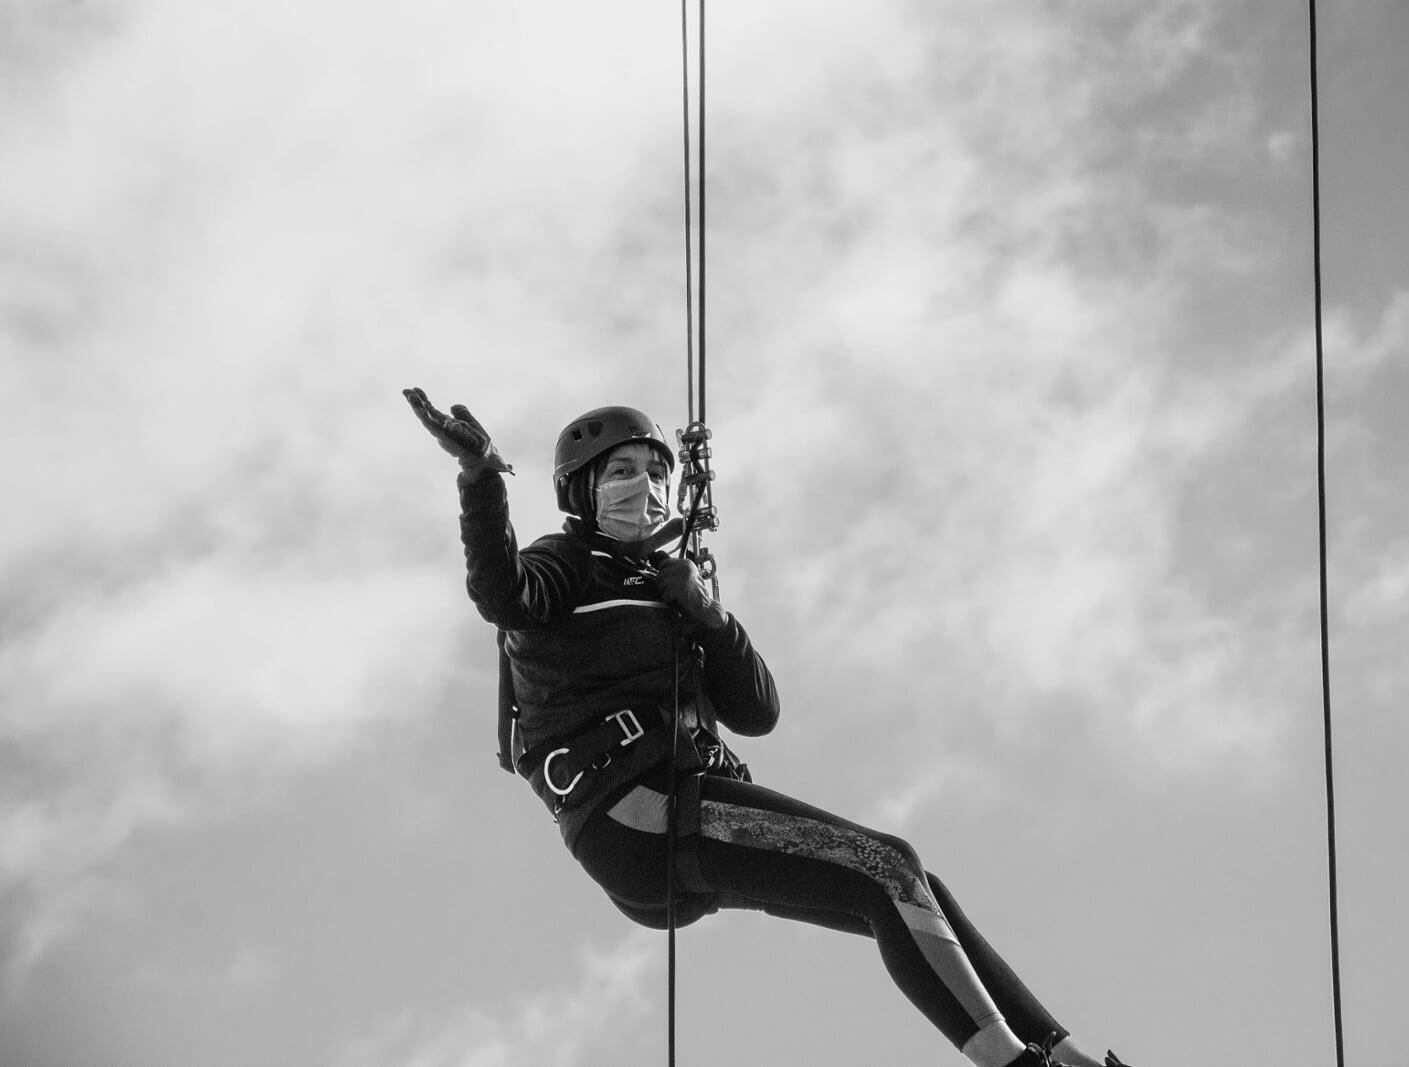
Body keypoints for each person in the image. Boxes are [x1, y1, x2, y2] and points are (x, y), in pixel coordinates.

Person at [403, 388, 1131, 1067]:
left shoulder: (669, 588)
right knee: (885, 865)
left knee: (913, 886)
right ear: (584, 491)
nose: (643, 486)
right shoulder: (566, 565)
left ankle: (1066, 1056)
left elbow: (757, 711)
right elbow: (502, 593)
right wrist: (480, 478)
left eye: (655, 473)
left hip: (674, 807)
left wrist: (707, 615)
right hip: (632, 809)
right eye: (621, 472)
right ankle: (1011, 1062)